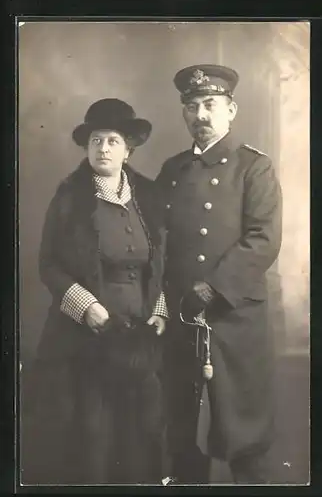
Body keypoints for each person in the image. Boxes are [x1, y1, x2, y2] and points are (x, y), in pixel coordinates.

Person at [22, 98, 169, 485]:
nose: (103, 149)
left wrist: (160, 309)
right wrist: (86, 307)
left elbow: (163, 263)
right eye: (96, 141)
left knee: (140, 437)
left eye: (113, 141)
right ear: (87, 147)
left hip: (139, 339)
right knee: (94, 439)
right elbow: (48, 264)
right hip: (85, 339)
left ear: (128, 149)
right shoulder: (70, 197)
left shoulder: (149, 197)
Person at [156, 64, 283, 484]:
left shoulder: (254, 168)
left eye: (210, 104)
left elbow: (262, 241)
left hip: (234, 321)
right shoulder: (172, 171)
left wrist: (212, 288)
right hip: (181, 321)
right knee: (183, 439)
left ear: (231, 110)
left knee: (245, 440)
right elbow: (158, 244)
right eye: (191, 107)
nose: (200, 115)